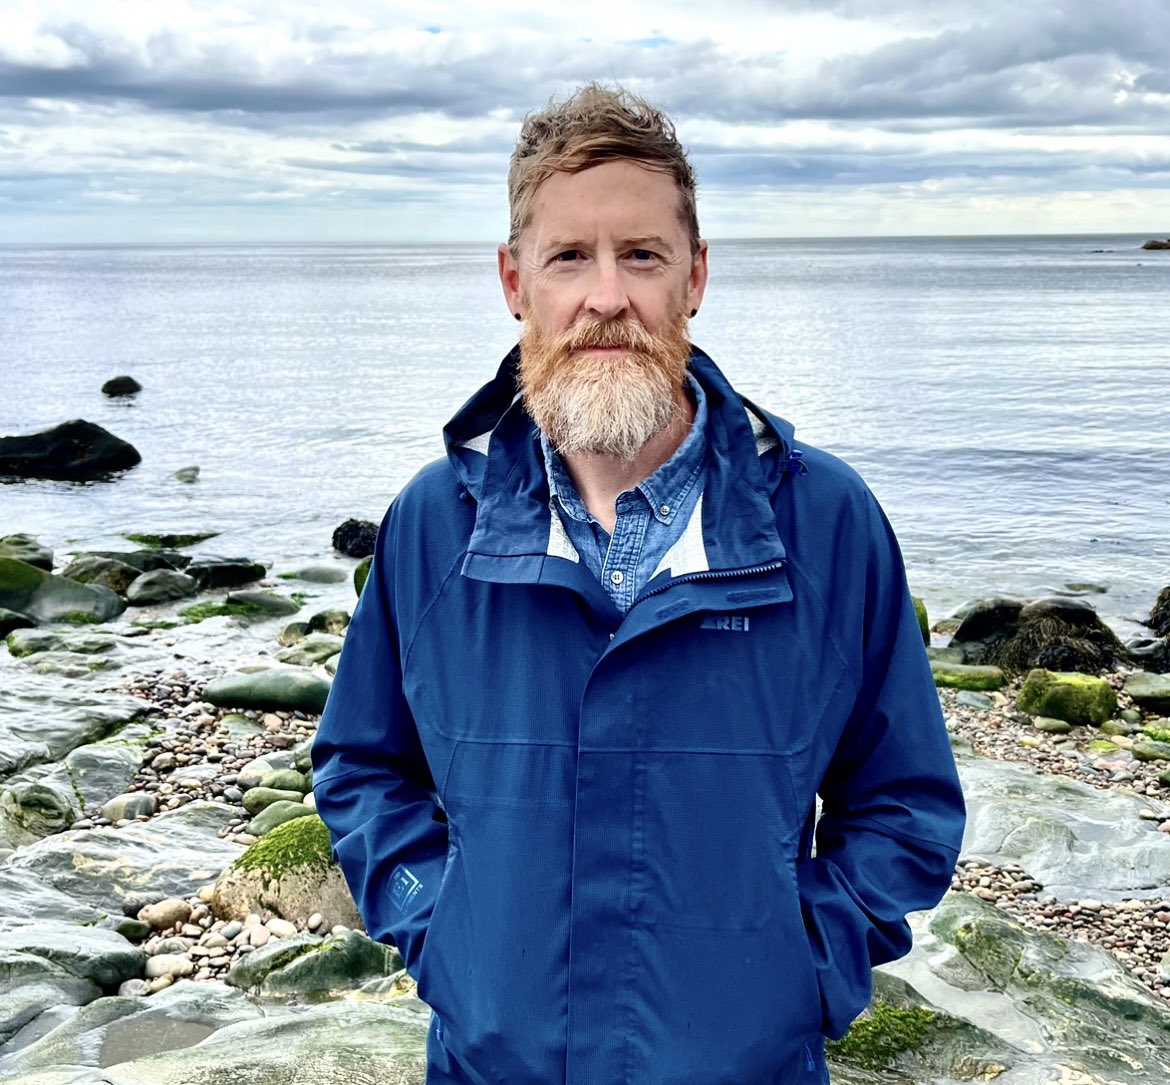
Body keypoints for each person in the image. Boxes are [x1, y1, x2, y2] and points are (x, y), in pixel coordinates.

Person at [312, 84, 966, 1085]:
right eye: (569, 255)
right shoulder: (435, 524)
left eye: (643, 255)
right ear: (514, 278)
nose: (606, 296)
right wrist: (443, 932)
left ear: (694, 277)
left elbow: (906, 801)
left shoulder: (825, 523)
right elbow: (362, 764)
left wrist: (806, 965)